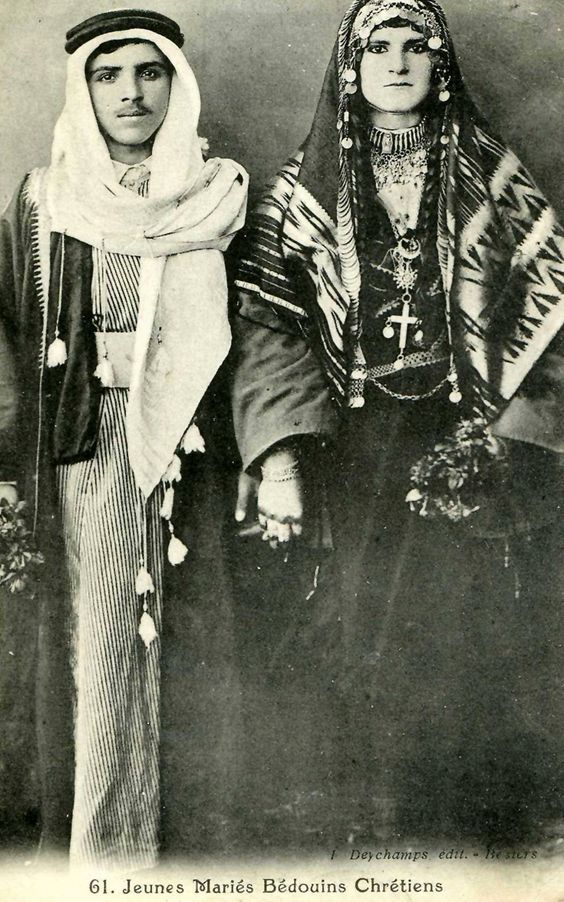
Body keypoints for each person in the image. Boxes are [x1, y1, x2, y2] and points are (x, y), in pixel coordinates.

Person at [232, 0, 564, 845]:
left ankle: (474, 823)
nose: (398, 61)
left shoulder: (492, 174)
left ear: (441, 64)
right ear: (351, 67)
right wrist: (280, 460)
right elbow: (271, 331)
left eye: (418, 45)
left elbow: (549, 312)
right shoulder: (302, 192)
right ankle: (377, 822)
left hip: (467, 434)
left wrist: (507, 431)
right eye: (378, 46)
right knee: (362, 616)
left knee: (468, 616)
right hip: (353, 440)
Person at [0, 9, 247, 867]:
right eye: (109, 76)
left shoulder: (215, 192)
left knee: (192, 641)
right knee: (102, 635)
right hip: (87, 440)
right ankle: (105, 852)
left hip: (193, 445)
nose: (131, 93)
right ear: (85, 89)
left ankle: (190, 849)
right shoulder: (46, 199)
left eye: (149, 72)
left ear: (176, 82)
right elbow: (10, 334)